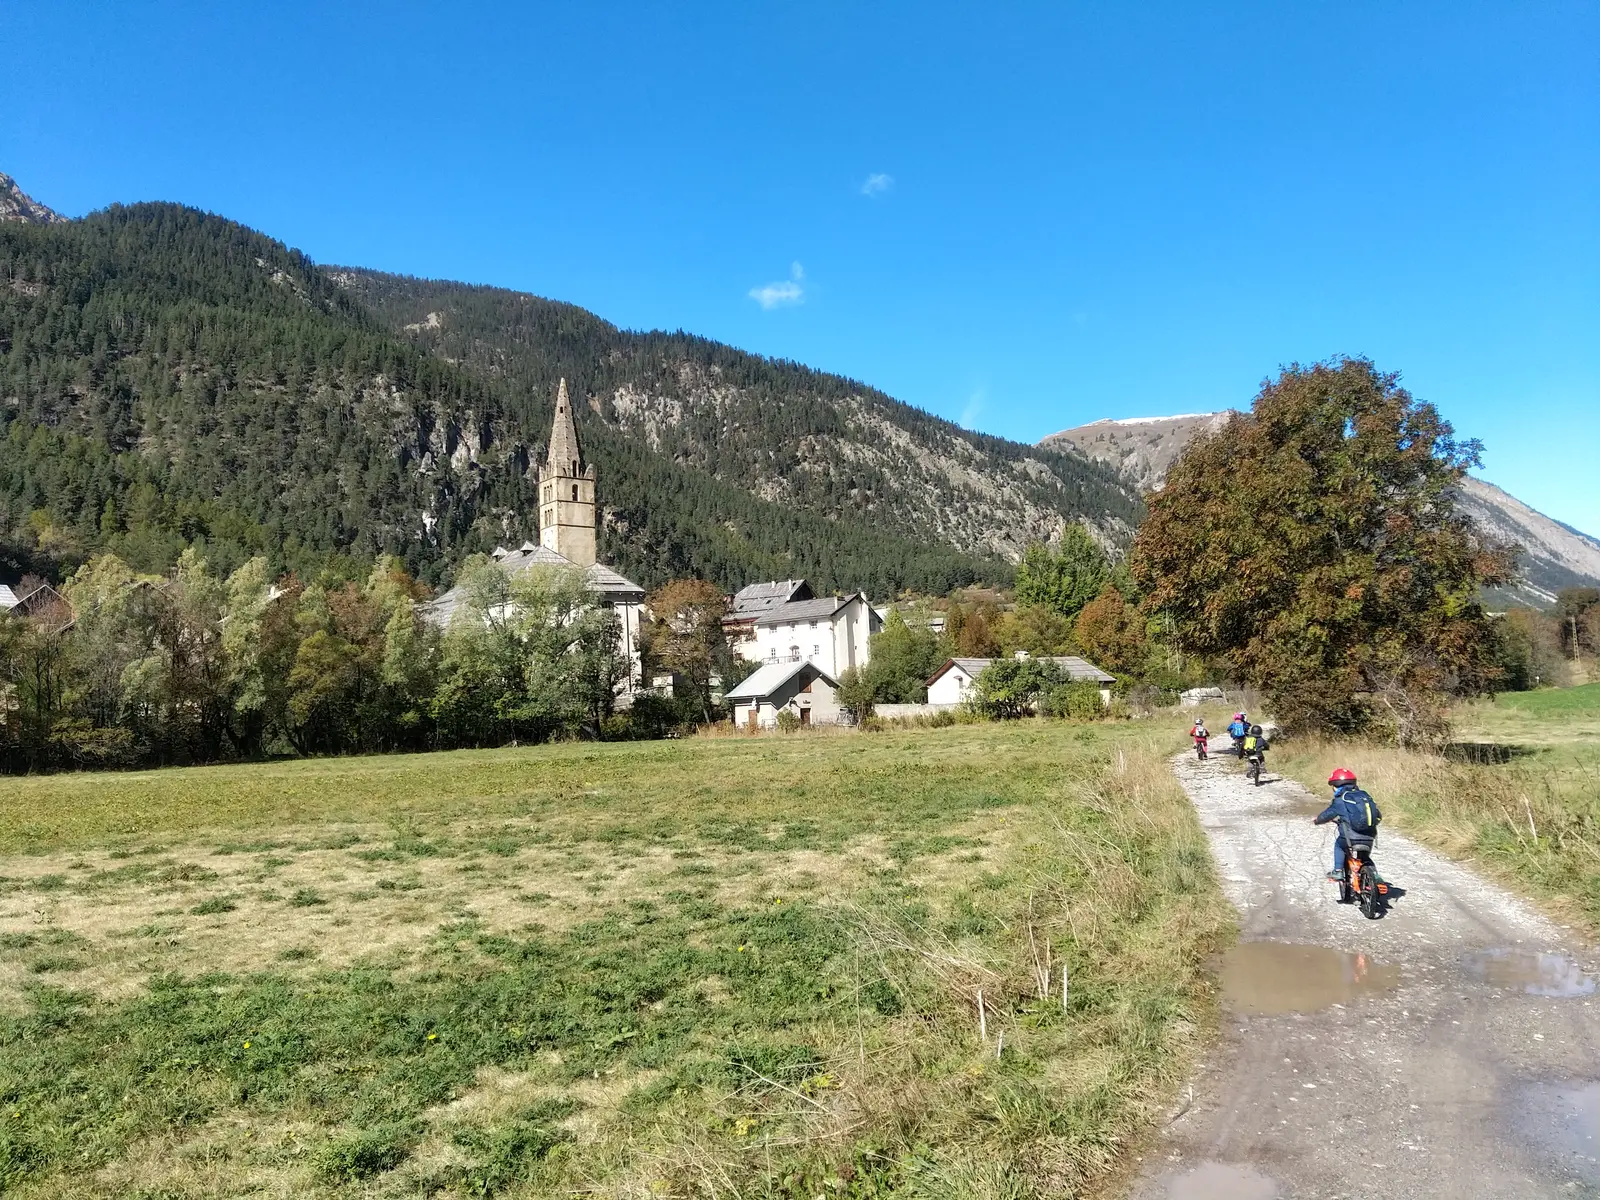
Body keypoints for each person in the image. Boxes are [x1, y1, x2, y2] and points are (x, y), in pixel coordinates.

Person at [1313, 768, 1383, 881]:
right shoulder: (1364, 797)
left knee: (1339, 845)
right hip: (1369, 836)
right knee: (1364, 857)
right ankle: (1375, 877)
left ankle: (1338, 871)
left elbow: (1327, 815)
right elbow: (1378, 815)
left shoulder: (1340, 800)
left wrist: (1317, 820)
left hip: (1350, 837)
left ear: (1335, 786)